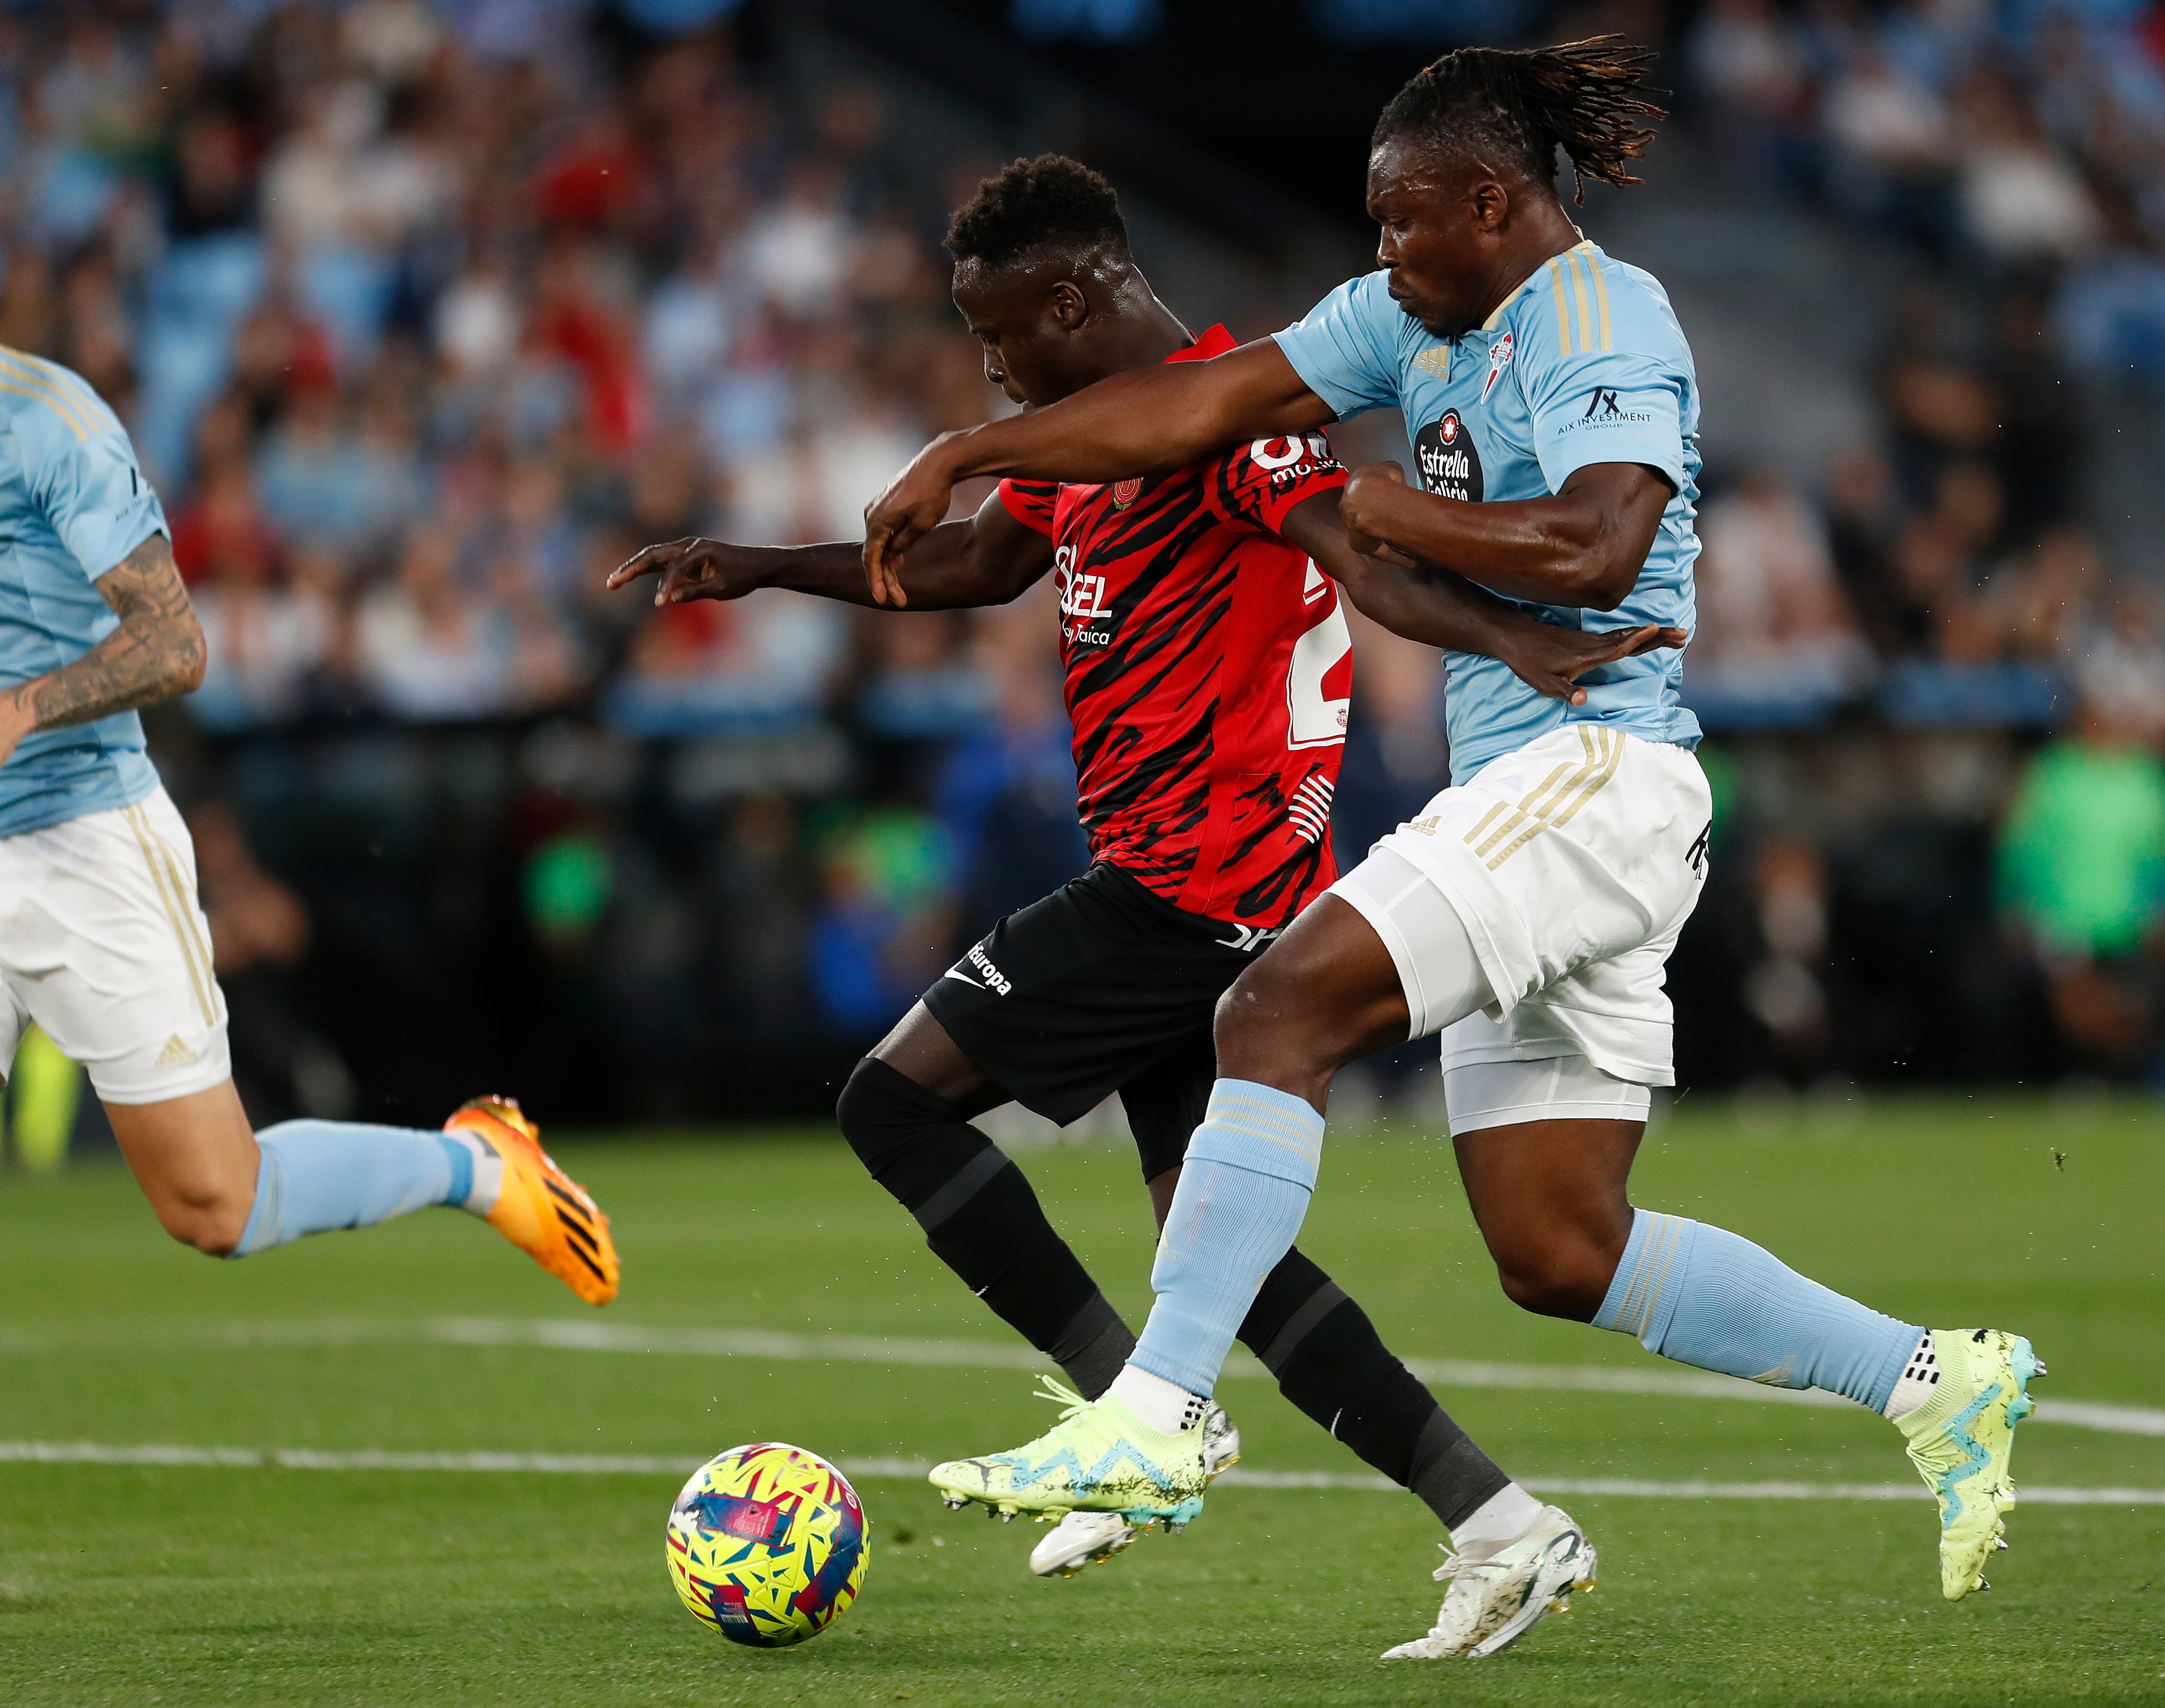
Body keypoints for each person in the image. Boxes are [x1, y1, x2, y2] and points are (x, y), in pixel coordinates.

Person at [863, 39, 2042, 1616]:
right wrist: (969, 452)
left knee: (1271, 1005)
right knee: (1560, 1246)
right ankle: (1933, 1378)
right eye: (1373, 224)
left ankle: (1155, 1412)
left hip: (1600, 776)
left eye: (1405, 221)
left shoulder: (1606, 316)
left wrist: (1386, 511)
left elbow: (1597, 539)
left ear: (1492, 201)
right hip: (1538, 802)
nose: (1382, 253)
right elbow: (1192, 406)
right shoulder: (1399, 313)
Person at [611, 155, 1679, 1657]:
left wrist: (1517, 638)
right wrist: (763, 569)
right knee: (1222, 1257)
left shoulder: (1223, 424)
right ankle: (1500, 1522)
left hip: (1198, 890)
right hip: (1195, 891)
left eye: (999, 340)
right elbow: (987, 562)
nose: (992, 369)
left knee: (891, 1102)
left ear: (1068, 300)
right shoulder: (1089, 442)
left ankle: (1133, 1411)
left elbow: (1357, 554)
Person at [0, 345, 616, 1300]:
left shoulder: (47, 421)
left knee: (216, 1202)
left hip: (80, 833)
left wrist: (21, 710)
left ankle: (481, 1166)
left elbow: (175, 644)